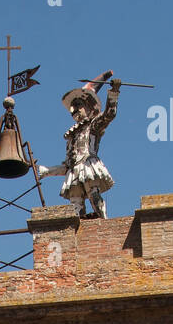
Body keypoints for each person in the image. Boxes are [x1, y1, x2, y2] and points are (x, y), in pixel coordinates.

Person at [39, 73, 121, 219]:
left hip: (88, 166)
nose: (74, 110)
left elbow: (109, 115)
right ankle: (79, 231)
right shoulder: (71, 137)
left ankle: (103, 222)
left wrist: (114, 93)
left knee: (93, 195)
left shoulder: (93, 126)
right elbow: (68, 166)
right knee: (75, 204)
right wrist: (48, 171)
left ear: (88, 107)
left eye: (78, 105)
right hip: (74, 172)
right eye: (72, 107)